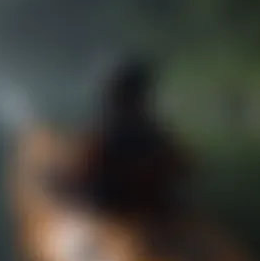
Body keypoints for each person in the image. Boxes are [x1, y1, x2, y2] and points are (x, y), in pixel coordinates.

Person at [79, 58, 191, 221]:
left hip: (118, 206)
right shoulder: (152, 133)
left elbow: (89, 171)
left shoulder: (112, 132)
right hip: (147, 205)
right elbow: (183, 168)